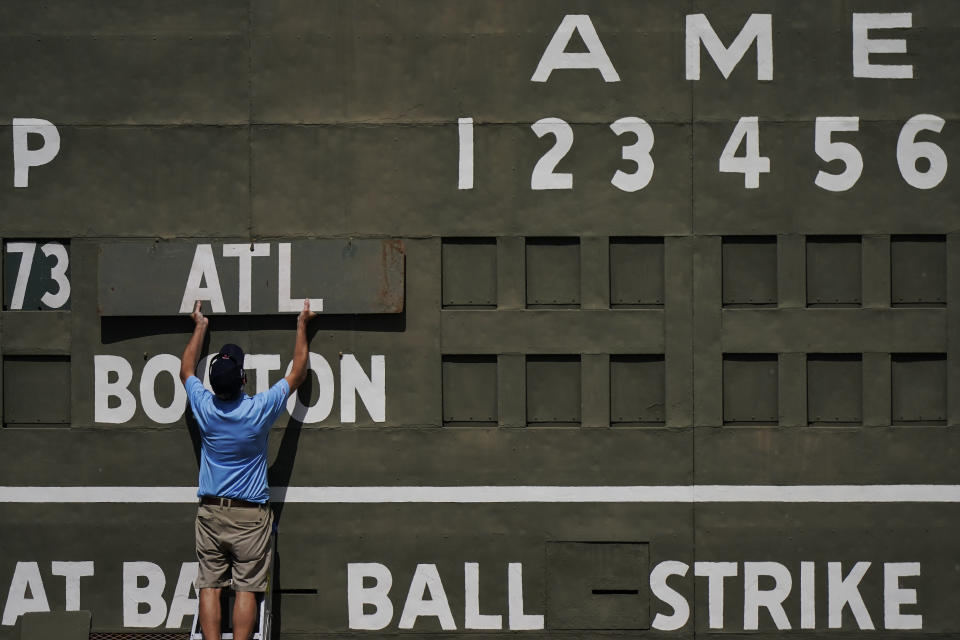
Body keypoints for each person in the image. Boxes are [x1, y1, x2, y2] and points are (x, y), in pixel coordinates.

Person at [179, 299, 316, 640]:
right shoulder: (257, 410)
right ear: (243, 379)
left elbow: (185, 370)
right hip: (250, 517)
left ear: (211, 383)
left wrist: (200, 326)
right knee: (246, 590)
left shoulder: (204, 406)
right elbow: (297, 373)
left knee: (209, 586)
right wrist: (302, 325)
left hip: (211, 511)